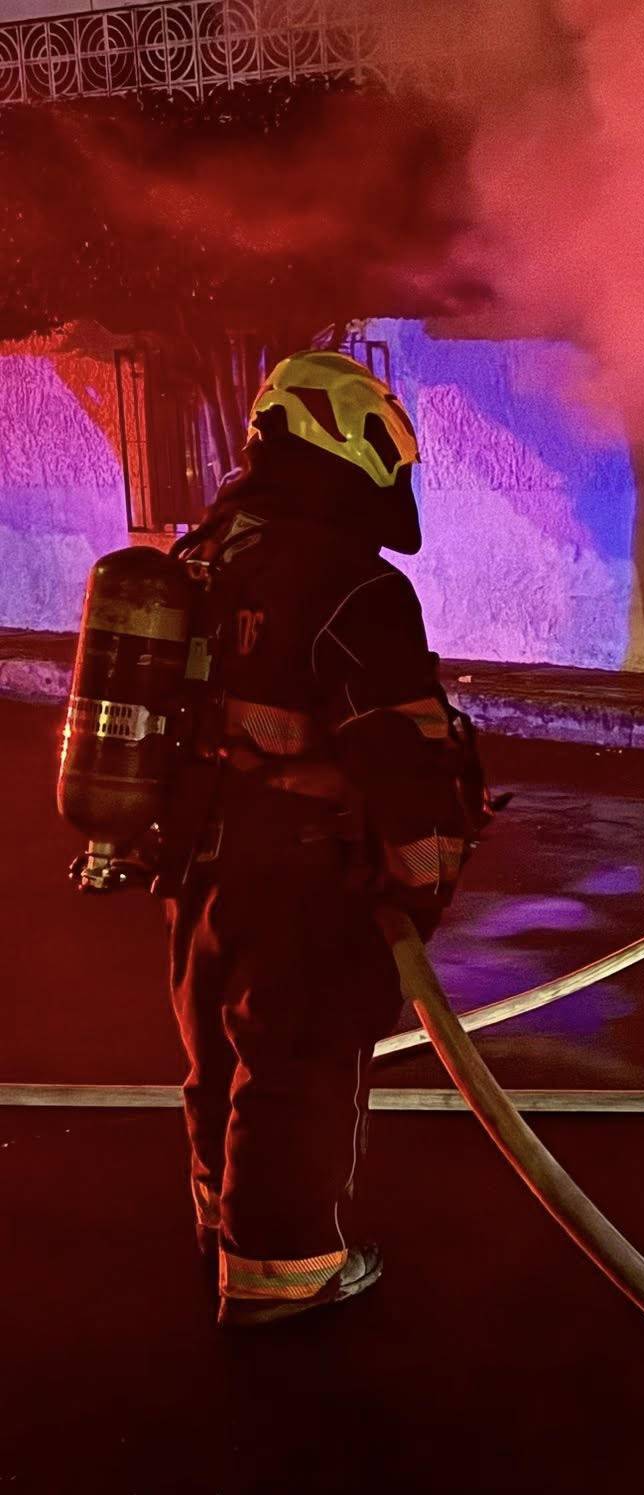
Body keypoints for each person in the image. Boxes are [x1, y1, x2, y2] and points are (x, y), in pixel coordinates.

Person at [163, 350, 485, 1327]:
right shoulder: (351, 585)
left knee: (219, 1052)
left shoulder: (204, 556)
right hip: (306, 869)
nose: (394, 472)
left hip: (199, 861)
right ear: (333, 435)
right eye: (383, 446)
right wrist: (421, 883)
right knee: (300, 1060)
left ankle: (227, 1227)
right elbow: (402, 761)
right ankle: (284, 1268)